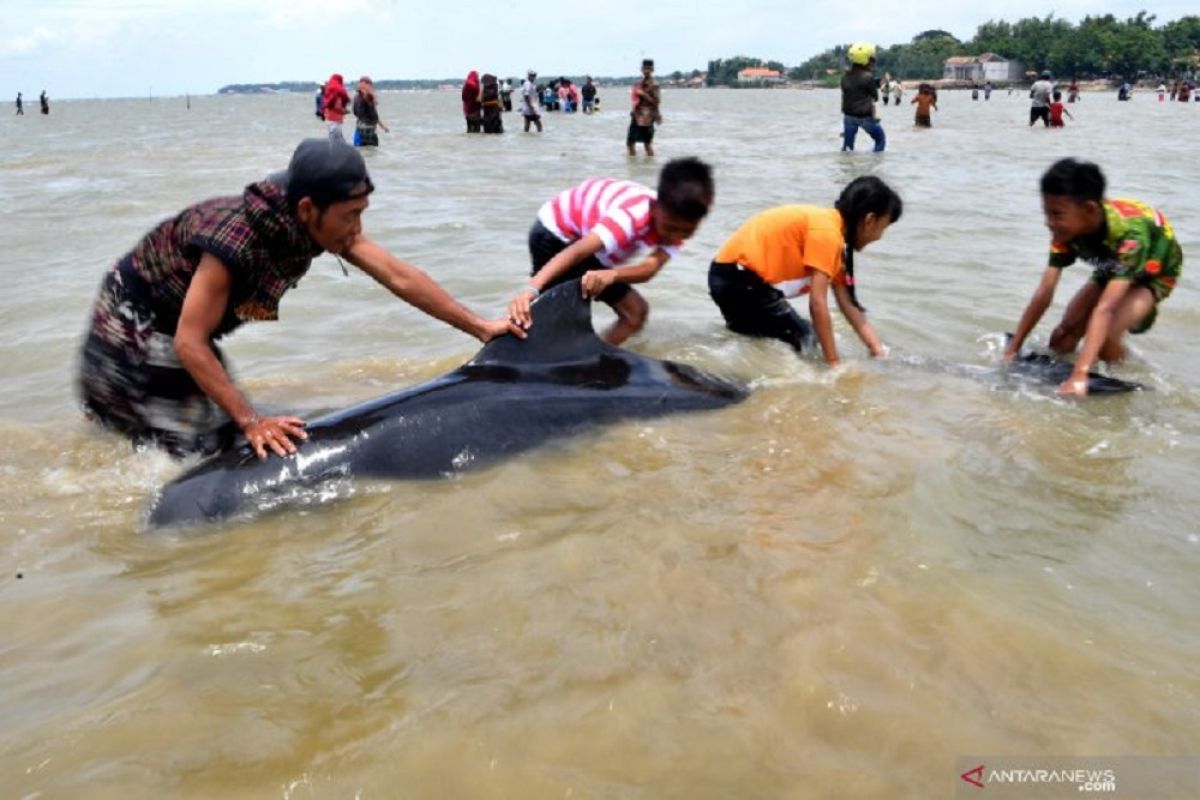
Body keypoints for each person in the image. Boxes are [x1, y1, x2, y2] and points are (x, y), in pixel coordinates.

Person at [78, 139, 523, 459]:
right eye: (350, 216)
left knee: (210, 427)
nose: (357, 229)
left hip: (178, 325)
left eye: (362, 214)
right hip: (133, 326)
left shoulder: (313, 219)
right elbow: (189, 344)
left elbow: (400, 277)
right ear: (308, 209)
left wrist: (480, 327)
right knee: (203, 453)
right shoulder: (234, 242)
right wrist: (252, 421)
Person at [1003, 158, 1182, 398]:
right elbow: (1044, 293)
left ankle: (1126, 383)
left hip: (1154, 273)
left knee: (1107, 336)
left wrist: (1080, 374)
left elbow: (1105, 308)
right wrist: (1013, 350)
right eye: (1046, 213)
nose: (1049, 223)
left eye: (1056, 214)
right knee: (1063, 334)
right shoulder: (1065, 231)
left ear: (1089, 210)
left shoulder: (1131, 236)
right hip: (1111, 264)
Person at [506, 158, 714, 345]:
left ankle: (594, 358)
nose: (676, 236)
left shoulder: (677, 222)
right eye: (669, 228)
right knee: (556, 314)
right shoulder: (631, 217)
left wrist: (611, 275)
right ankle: (524, 354)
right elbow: (578, 251)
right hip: (555, 234)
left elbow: (650, 268)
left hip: (588, 247)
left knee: (635, 313)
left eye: (688, 231)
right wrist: (531, 289)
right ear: (654, 208)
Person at [708, 176, 901, 363]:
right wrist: (834, 364)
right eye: (884, 227)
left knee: (761, 339)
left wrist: (877, 349)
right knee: (806, 339)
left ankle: (730, 364)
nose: (880, 237)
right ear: (870, 220)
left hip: (730, 277)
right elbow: (817, 304)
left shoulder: (832, 234)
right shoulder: (827, 234)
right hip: (738, 279)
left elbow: (848, 305)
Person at [841, 42, 885, 152]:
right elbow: (875, 97)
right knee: (880, 139)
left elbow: (853, 90)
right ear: (867, 60)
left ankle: (846, 166)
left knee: (847, 147)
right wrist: (876, 84)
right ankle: (874, 164)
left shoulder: (845, 76)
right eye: (872, 59)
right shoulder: (868, 77)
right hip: (864, 116)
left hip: (848, 116)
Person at [628, 58, 661, 157]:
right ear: (641, 69)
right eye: (644, 68)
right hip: (637, 115)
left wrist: (644, 95)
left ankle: (651, 166)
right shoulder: (638, 83)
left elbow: (656, 102)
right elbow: (635, 100)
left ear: (652, 70)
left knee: (647, 144)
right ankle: (633, 168)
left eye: (649, 68)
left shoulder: (655, 85)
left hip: (648, 116)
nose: (646, 70)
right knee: (630, 142)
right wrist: (633, 110)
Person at [351, 76, 389, 147]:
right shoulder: (367, 96)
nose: (372, 87)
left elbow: (356, 113)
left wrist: (383, 126)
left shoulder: (356, 97)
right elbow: (374, 108)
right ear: (367, 84)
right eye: (370, 85)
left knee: (360, 151)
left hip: (359, 130)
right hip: (368, 131)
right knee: (372, 153)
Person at [321, 74, 350, 142]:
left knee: (333, 141)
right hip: (335, 122)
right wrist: (345, 111)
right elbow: (337, 107)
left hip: (329, 121)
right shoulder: (337, 94)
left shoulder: (329, 93)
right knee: (337, 143)